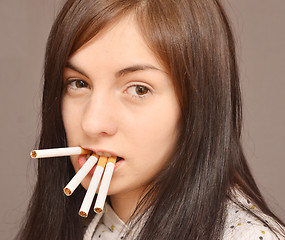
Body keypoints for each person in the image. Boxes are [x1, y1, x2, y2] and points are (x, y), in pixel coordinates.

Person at [16, 0, 285, 239]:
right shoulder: (67, 225)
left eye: (139, 89)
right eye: (78, 83)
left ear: (199, 104)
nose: (92, 123)